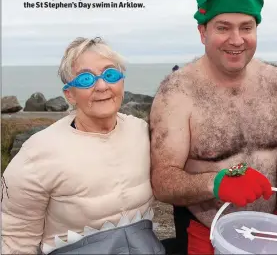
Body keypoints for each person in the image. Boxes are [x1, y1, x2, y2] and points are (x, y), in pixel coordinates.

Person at [149, 0, 277, 255]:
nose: (236, 40)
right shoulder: (177, 93)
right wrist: (215, 183)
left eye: (246, 27)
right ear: (202, 32)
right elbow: (162, 181)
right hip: (206, 233)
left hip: (272, 229)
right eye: (223, 28)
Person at [1, 37, 164, 254]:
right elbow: (16, 237)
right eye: (86, 79)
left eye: (110, 75)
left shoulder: (142, 132)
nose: (102, 86)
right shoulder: (37, 153)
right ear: (69, 94)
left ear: (122, 82)